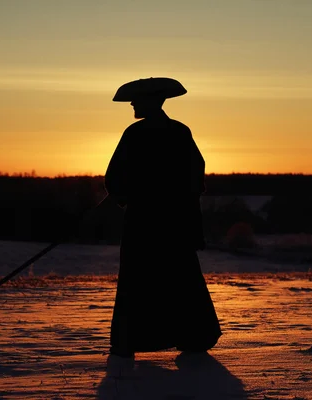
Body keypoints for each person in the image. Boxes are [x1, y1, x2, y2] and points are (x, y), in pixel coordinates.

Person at [105, 77, 222, 358]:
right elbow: (195, 175)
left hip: (144, 221)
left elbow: (115, 175)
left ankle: (131, 338)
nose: (132, 104)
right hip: (175, 221)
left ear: (150, 101)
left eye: (136, 100)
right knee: (181, 277)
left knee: (139, 278)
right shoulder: (180, 132)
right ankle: (193, 335)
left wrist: (124, 194)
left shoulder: (135, 133)